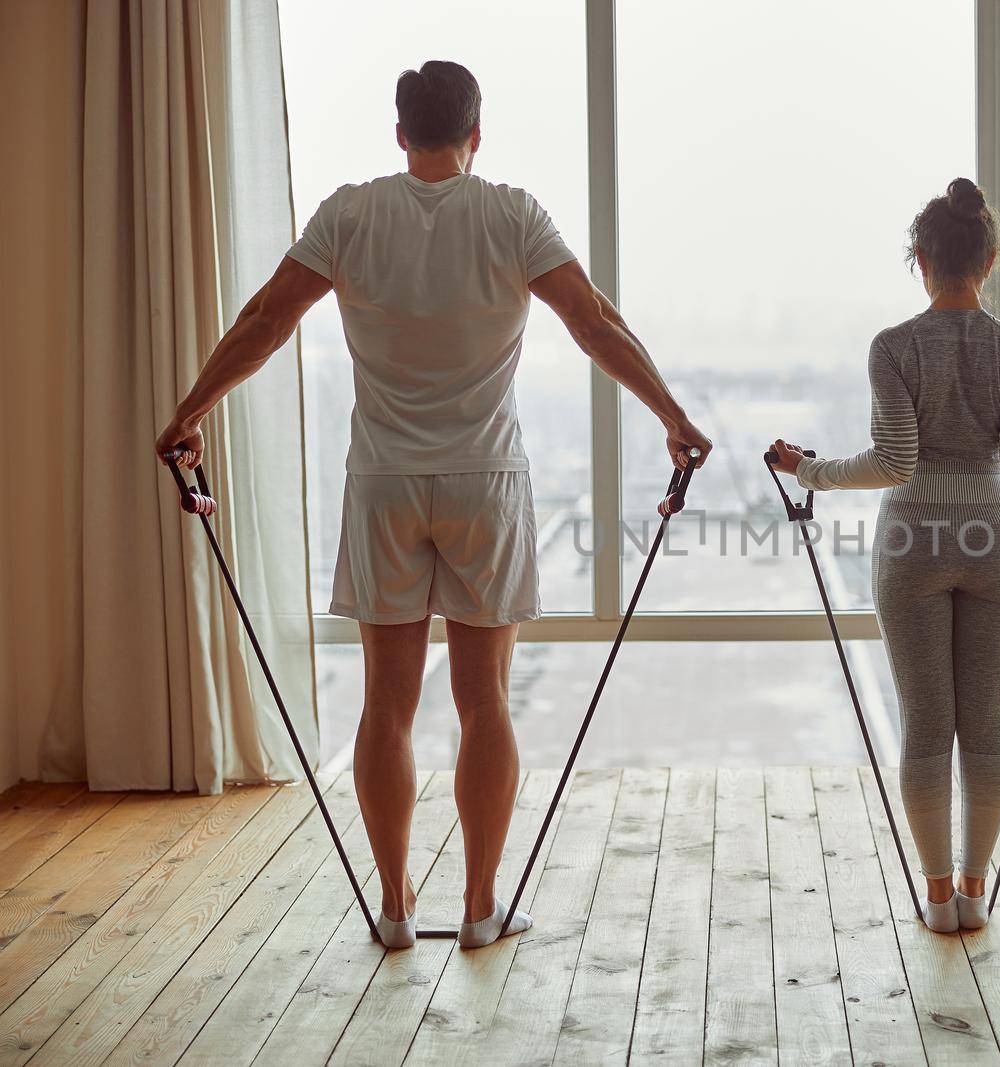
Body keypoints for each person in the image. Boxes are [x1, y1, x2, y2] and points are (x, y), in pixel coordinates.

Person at [155, 60, 711, 949]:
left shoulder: (349, 214)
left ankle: (396, 905)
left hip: (383, 485)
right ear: (476, 134)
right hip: (485, 480)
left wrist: (190, 411)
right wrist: (675, 417)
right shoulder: (511, 213)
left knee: (387, 702)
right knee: (484, 699)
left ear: (400, 132)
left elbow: (265, 319)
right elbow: (595, 322)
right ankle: (482, 905)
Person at [767, 178, 1000, 934]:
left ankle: (937, 900)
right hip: (995, 543)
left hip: (912, 543)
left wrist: (810, 471)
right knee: (987, 727)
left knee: (927, 729)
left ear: (920, 259)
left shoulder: (893, 347)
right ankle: (976, 889)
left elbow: (896, 461)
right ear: (991, 259)